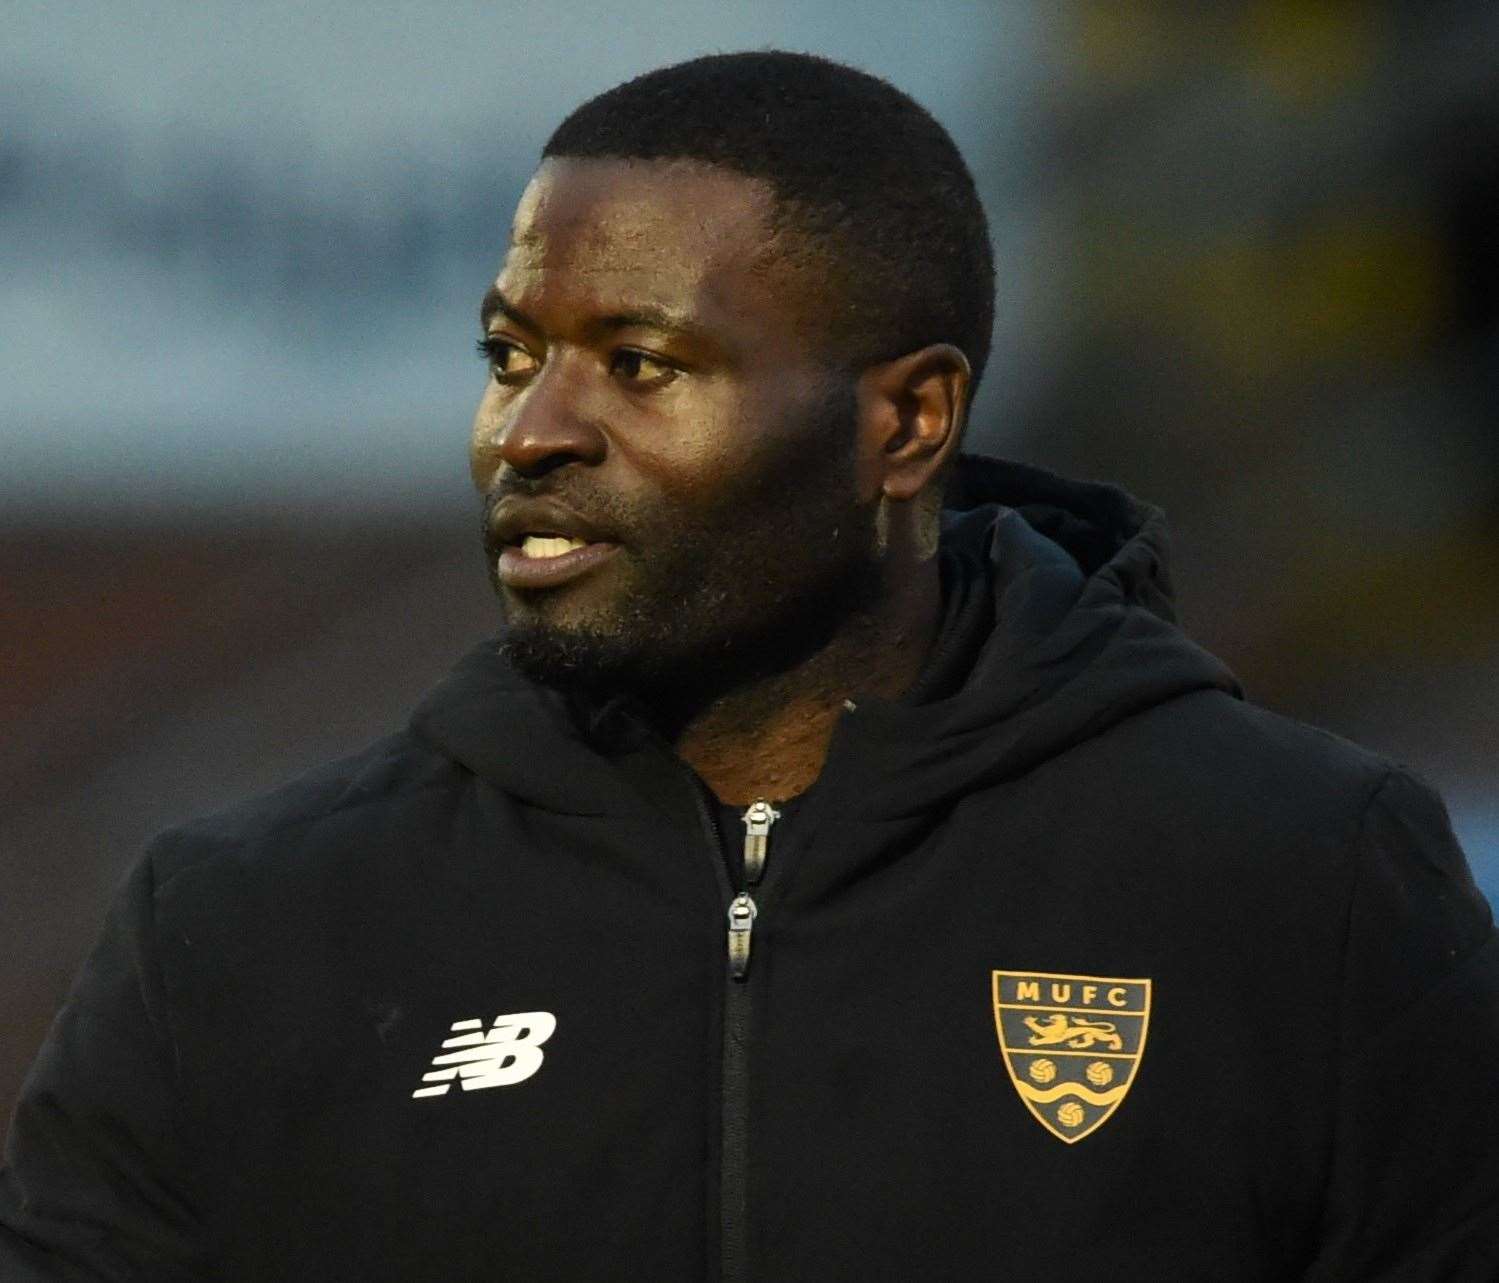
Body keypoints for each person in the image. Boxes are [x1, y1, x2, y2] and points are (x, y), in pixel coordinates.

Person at [2, 50, 1496, 1282]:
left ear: (906, 425)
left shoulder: (1302, 877)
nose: (530, 433)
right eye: (512, 355)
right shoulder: (251, 925)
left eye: (641, 364)